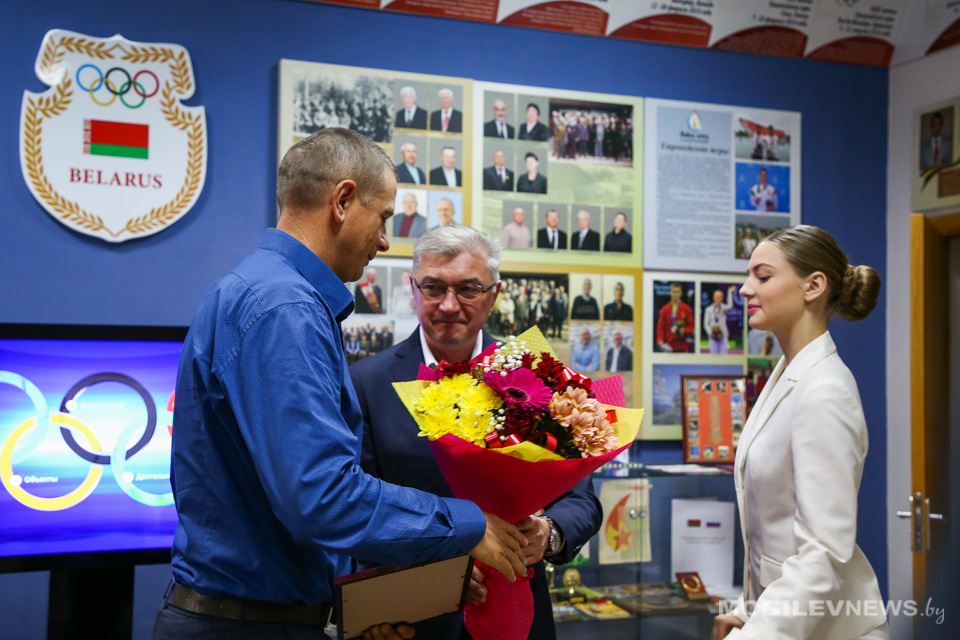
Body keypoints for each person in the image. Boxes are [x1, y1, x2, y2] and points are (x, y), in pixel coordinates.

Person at [153, 128, 527, 639]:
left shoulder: (262, 290)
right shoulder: (285, 308)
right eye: (383, 217)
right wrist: (467, 524)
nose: (384, 239)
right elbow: (321, 497)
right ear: (343, 200)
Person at [350, 226, 601, 640]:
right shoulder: (367, 383)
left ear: (495, 293)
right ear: (413, 288)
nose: (449, 305)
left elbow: (581, 498)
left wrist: (549, 534)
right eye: (433, 287)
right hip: (412, 622)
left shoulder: (535, 373)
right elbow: (358, 508)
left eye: (468, 289)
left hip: (521, 614)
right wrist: (429, 574)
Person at [713, 225, 889, 640]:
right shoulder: (789, 374)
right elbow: (775, 536)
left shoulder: (825, 389)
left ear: (813, 286)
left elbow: (823, 551)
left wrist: (754, 634)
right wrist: (748, 609)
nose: (744, 289)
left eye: (763, 275)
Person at [656, 282, 694, 352]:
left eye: (677, 292)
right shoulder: (664, 310)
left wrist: (684, 330)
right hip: (668, 346)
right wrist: (660, 340)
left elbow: (691, 325)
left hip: (682, 345)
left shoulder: (687, 309)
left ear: (681, 293)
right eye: (673, 292)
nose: (675, 294)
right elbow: (660, 328)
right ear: (670, 292)